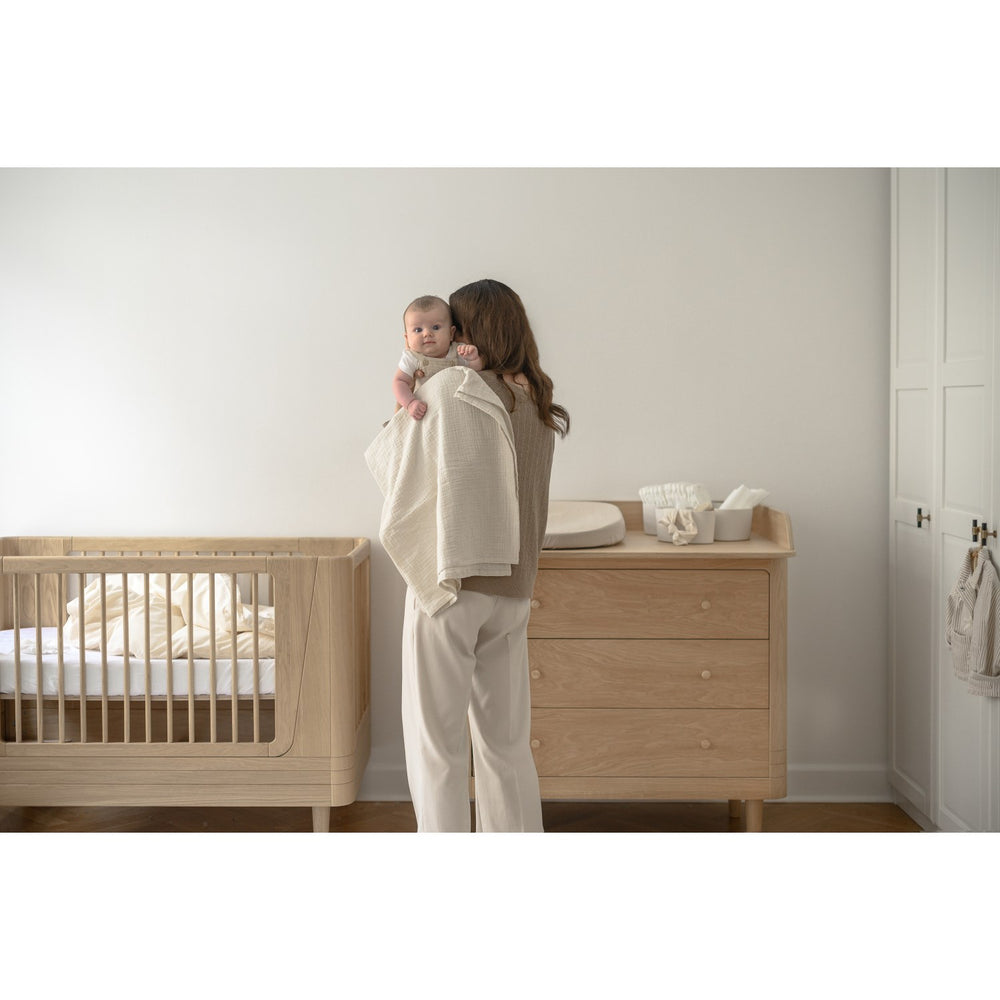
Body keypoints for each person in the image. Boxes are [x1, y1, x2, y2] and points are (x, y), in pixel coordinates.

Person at [398, 279, 570, 832]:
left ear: (466, 329)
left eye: (452, 326)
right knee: (506, 745)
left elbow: (400, 467)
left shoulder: (453, 388)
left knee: (438, 747)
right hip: (513, 592)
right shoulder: (536, 400)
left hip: (452, 583)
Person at [393, 294, 483, 419]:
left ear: (451, 333)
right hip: (425, 411)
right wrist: (410, 403)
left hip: (455, 409)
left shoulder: (458, 351)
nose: (427, 333)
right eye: (418, 330)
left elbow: (475, 373)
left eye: (435, 327)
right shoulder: (412, 358)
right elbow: (399, 382)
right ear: (407, 338)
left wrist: (474, 359)